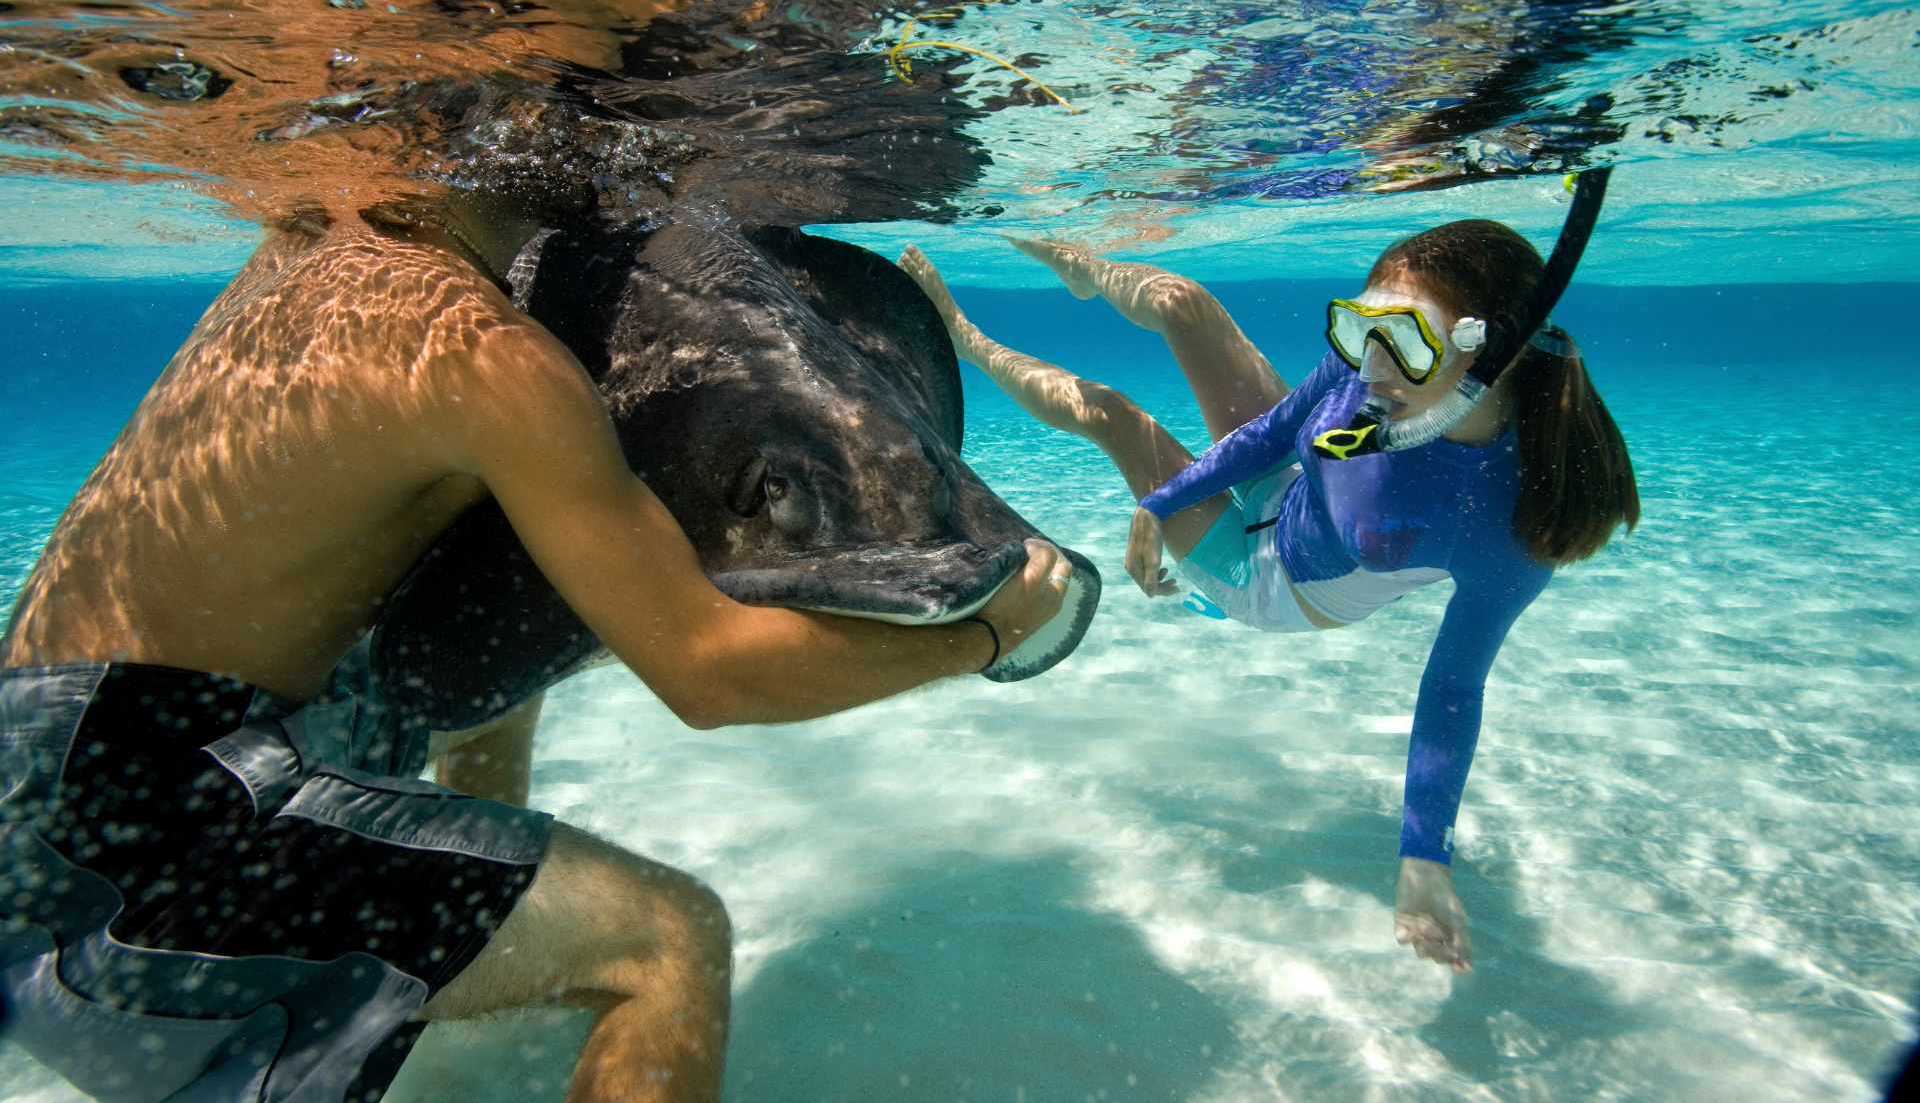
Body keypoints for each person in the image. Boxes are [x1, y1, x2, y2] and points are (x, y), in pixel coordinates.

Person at [0, 198, 1072, 1103]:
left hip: (52, 754)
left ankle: (468, 970)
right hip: (115, 849)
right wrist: (982, 637)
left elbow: (460, 651)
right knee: (665, 939)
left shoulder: (309, 253)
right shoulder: (492, 356)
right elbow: (709, 672)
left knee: (495, 647)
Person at [900, 215, 1638, 973]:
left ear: (1493, 351)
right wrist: (1164, 500)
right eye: (1360, 328)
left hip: (1265, 581)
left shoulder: (1508, 523)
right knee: (1183, 303)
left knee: (1114, 415)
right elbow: (1280, 429)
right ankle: (1085, 268)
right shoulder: (1376, 369)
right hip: (1291, 494)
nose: (1371, 369)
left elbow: (1453, 685)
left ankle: (963, 336)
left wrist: (1425, 858)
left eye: (1408, 339)